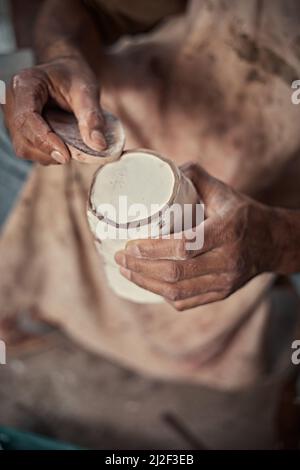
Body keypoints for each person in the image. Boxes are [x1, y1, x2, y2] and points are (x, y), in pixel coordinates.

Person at [0, 0, 300, 447]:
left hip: (283, 178)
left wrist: (276, 239)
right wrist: (62, 55)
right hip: (156, 100)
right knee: (20, 157)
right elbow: (79, 7)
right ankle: (38, 302)